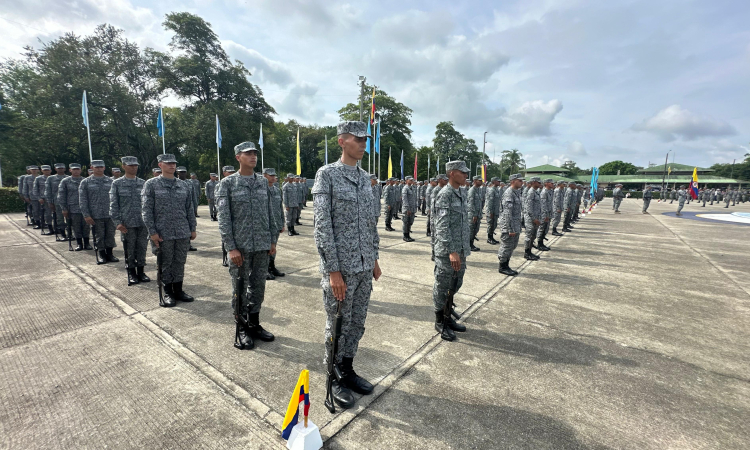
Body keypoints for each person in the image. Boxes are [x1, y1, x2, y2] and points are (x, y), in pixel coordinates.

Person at [313, 120, 381, 409]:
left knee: (356, 323)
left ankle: (348, 369)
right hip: (341, 268)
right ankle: (332, 377)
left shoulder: (365, 178)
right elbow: (322, 226)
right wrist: (333, 271)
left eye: (365, 141)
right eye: (358, 140)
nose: (363, 145)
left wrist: (375, 258)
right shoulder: (327, 175)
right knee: (337, 324)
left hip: (364, 266)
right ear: (342, 141)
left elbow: (370, 222)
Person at [216, 142, 278, 349]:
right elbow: (224, 219)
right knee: (240, 288)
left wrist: (272, 240)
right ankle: (242, 327)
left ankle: (254, 323)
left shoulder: (262, 183)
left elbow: (270, 213)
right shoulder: (227, 184)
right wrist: (231, 247)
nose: (253, 156)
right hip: (240, 248)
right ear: (238, 158)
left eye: (255, 153)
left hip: (261, 244)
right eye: (248, 153)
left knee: (258, 287)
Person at [141, 153, 197, 307]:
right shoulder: (151, 184)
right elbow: (146, 211)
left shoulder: (183, 185)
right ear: (160, 165)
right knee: (165, 263)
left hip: (182, 231)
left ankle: (178, 290)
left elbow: (189, 209)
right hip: (162, 232)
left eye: (174, 163)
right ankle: (167, 292)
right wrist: (152, 232)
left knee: (179, 262)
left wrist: (192, 228)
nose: (172, 166)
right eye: (168, 163)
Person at [432, 161, 470, 341]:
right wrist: (451, 251)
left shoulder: (462, 192)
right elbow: (441, 227)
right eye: (463, 173)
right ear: (453, 173)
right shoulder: (444, 194)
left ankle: (448, 315)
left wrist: (461, 249)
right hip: (448, 251)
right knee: (443, 286)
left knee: (456, 284)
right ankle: (440, 320)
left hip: (460, 249)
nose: (466, 176)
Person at [110, 156, 150, 284]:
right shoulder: (117, 184)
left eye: (136, 165)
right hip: (127, 223)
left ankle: (141, 271)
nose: (134, 167)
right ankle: (131, 273)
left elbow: (149, 204)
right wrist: (117, 222)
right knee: (129, 249)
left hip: (142, 222)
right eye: (130, 165)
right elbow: (113, 204)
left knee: (142, 248)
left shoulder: (143, 183)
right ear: (123, 166)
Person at [79, 160, 118, 264]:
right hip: (95, 214)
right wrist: (86, 215)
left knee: (110, 234)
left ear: (104, 168)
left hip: (110, 214)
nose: (99, 169)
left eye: (101, 167)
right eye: (96, 167)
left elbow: (116, 199)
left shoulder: (111, 181)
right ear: (92, 168)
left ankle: (110, 254)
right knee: (99, 235)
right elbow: (83, 200)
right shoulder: (86, 182)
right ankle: (101, 254)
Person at [58, 163, 92, 251]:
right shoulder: (65, 181)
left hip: (85, 208)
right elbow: (61, 195)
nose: (76, 171)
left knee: (86, 226)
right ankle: (79, 244)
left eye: (78, 169)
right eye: (74, 169)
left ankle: (87, 243)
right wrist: (64, 208)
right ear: (70, 170)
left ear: (81, 170)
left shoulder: (86, 180)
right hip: (73, 208)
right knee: (76, 226)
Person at [497, 174, 524, 276]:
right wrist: (510, 228)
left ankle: (506, 264)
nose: (522, 182)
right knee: (507, 246)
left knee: (512, 246)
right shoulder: (509, 193)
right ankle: (502, 266)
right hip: (509, 226)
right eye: (519, 180)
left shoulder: (516, 192)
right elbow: (507, 213)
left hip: (515, 224)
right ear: (513, 181)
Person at [264, 167, 286, 281]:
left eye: (274, 175)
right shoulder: (262, 190)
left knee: (274, 246)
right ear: (264, 175)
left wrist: (282, 223)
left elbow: (280, 208)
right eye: (270, 175)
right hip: (265, 223)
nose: (273, 177)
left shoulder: (277, 190)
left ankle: (272, 267)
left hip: (276, 223)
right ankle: (265, 269)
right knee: (266, 247)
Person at [177, 167, 198, 251]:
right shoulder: (175, 182)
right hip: (178, 209)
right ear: (177, 173)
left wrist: (195, 207)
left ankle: (188, 245)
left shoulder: (189, 183)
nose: (182, 174)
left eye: (184, 172)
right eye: (180, 172)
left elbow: (193, 195)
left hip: (189, 208)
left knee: (189, 227)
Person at [45, 163, 68, 239]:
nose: (60, 169)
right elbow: (48, 191)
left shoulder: (68, 178)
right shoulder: (51, 178)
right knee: (60, 218)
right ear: (55, 169)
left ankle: (70, 233)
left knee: (70, 219)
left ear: (65, 169)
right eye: (58, 168)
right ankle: (63, 234)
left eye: (62, 168)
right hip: (57, 202)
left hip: (69, 202)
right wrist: (50, 202)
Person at [523, 177, 542, 261]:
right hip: (531, 219)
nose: (540, 184)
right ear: (534, 182)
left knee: (533, 236)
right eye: (538, 182)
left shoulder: (536, 192)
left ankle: (530, 251)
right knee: (529, 236)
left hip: (535, 218)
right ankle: (527, 253)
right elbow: (529, 207)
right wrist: (534, 218)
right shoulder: (531, 192)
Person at [430, 175, 448, 261]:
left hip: (441, 217)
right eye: (444, 180)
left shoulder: (445, 189)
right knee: (435, 236)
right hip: (436, 218)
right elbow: (433, 206)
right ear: (440, 180)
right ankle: (434, 253)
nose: (446, 181)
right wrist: (435, 218)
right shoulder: (436, 190)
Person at [33, 165, 52, 234]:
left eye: (48, 170)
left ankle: (58, 228)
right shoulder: (38, 179)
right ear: (42, 171)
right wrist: (39, 198)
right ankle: (50, 228)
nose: (46, 171)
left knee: (58, 215)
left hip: (55, 199)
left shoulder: (53, 178)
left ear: (50, 170)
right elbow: (35, 190)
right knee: (48, 214)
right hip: (45, 199)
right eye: (45, 170)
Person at [536, 178, 554, 251]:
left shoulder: (550, 191)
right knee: (542, 229)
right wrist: (545, 215)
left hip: (548, 213)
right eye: (551, 183)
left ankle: (542, 243)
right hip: (544, 214)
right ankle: (539, 244)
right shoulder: (544, 192)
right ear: (546, 183)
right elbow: (543, 205)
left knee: (545, 229)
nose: (552, 184)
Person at [466, 176, 482, 252]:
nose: (481, 182)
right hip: (472, 214)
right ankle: (469, 245)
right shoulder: (472, 190)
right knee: (471, 230)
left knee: (475, 229)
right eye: (479, 180)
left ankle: (471, 243)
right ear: (475, 181)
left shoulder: (478, 190)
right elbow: (470, 204)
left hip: (477, 214)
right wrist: (474, 214)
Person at [485, 177, 501, 245]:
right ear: (494, 182)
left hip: (496, 211)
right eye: (498, 181)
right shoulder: (492, 190)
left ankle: (492, 237)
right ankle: (489, 238)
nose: (499, 182)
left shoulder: (496, 190)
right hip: (491, 211)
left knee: (494, 225)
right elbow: (490, 202)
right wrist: (490, 212)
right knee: (490, 225)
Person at [401, 176, 417, 242]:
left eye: (412, 180)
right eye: (410, 180)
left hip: (412, 208)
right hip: (407, 209)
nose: (411, 181)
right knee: (406, 222)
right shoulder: (405, 188)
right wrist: (407, 209)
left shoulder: (412, 188)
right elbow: (404, 199)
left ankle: (408, 235)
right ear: (406, 180)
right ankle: (405, 236)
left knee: (410, 222)